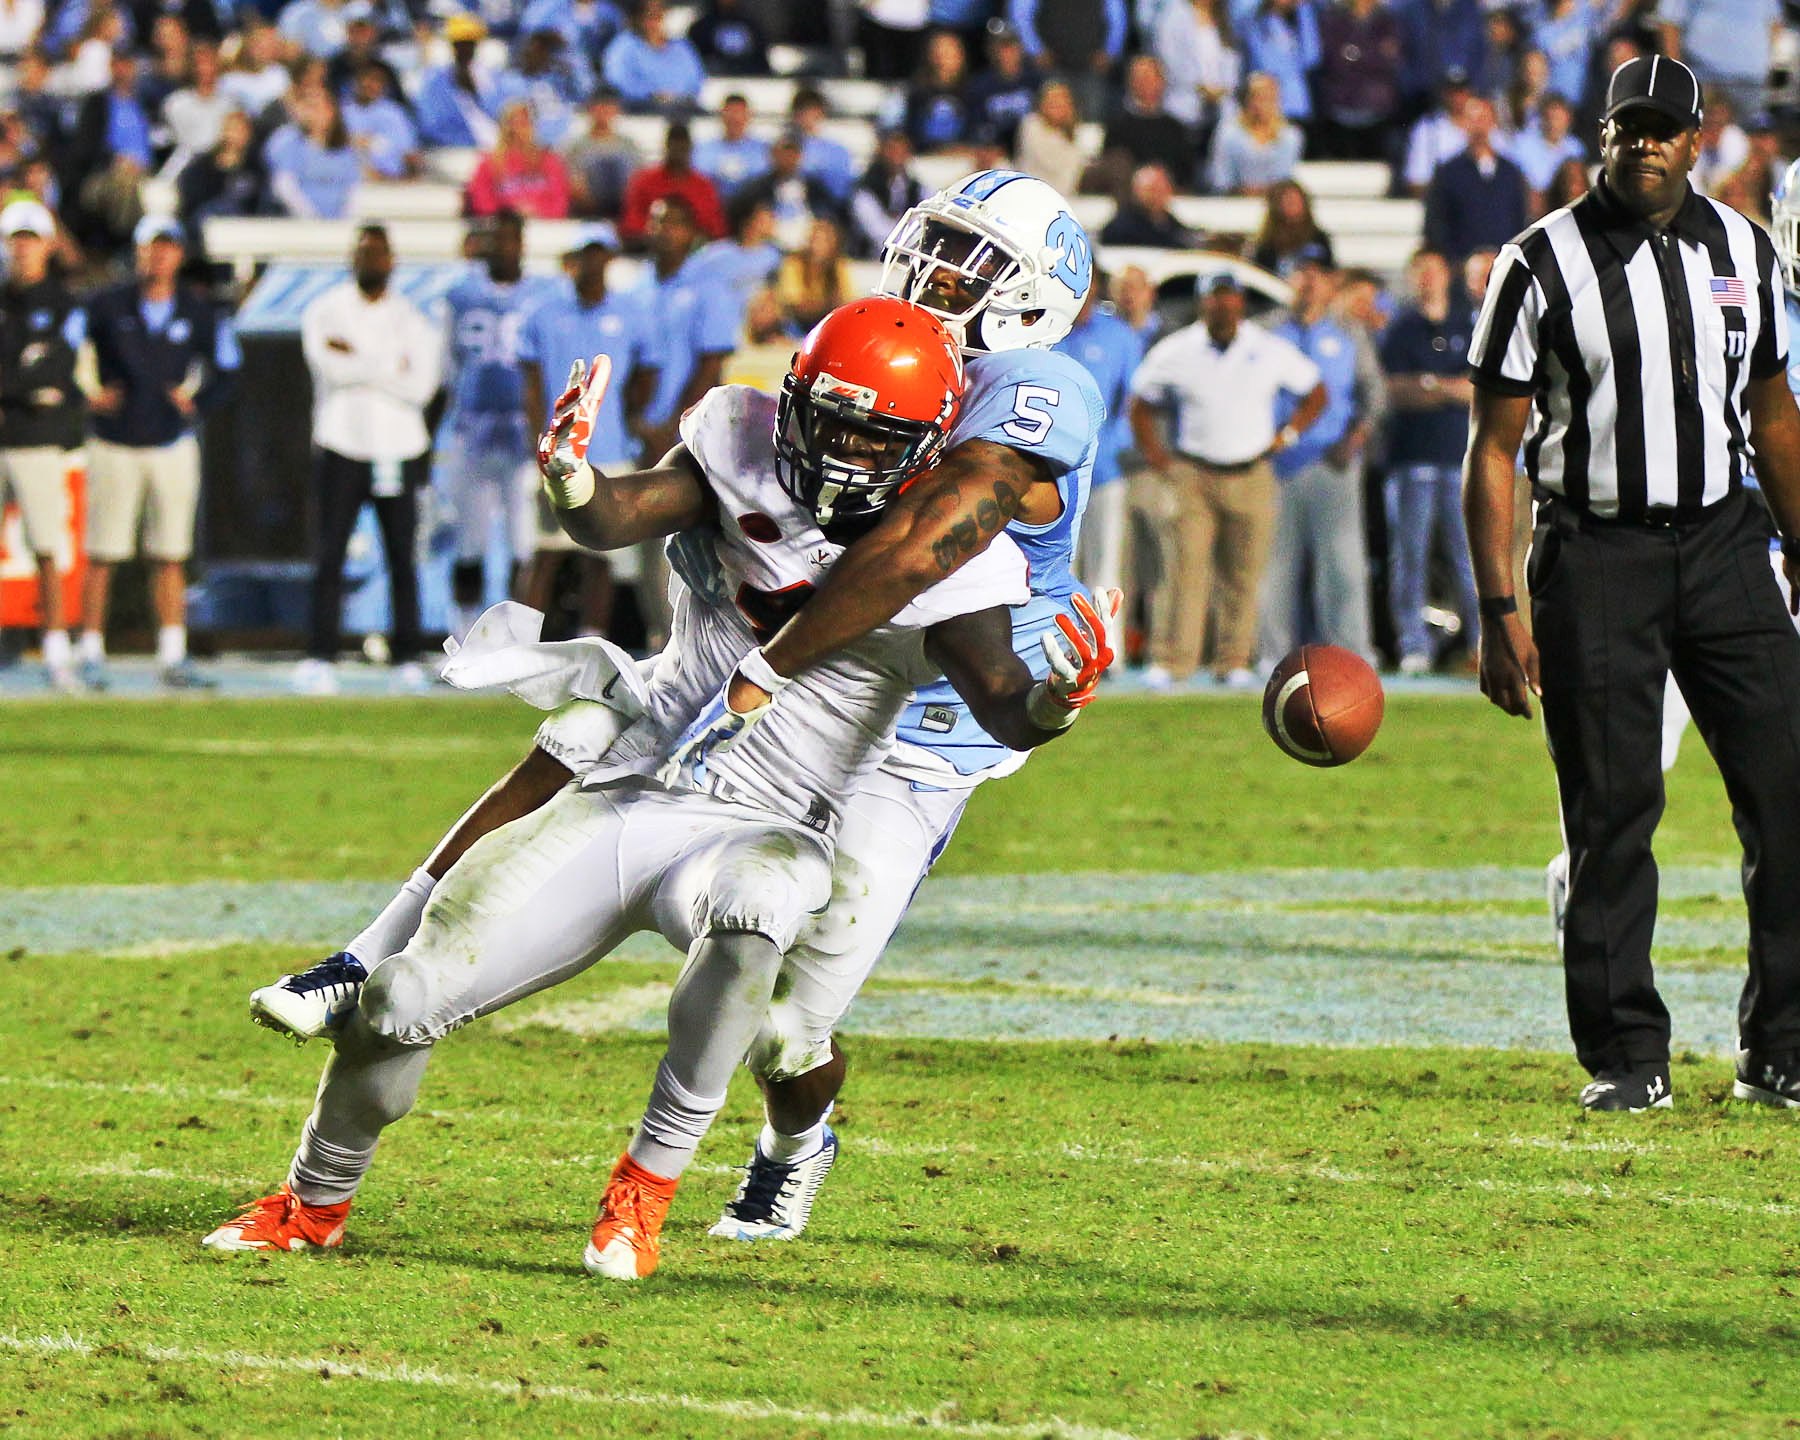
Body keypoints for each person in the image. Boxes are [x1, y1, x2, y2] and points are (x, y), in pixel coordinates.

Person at [245, 170, 1106, 1247]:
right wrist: (581, 485)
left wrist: (781, 668)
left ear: (1033, 297)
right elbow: (673, 496)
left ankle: (791, 1144)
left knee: (786, 1032)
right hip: (724, 692)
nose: (936, 274)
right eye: (935, 246)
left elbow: (919, 548)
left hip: (919, 729)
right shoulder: (807, 397)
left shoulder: (1030, 395)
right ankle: (363, 966)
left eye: (972, 264)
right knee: (580, 731)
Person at [1465, 55, 1800, 1113]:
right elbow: (1493, 448)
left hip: (1726, 543)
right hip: (1597, 552)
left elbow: (1775, 413)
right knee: (1611, 814)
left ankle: (1781, 1048)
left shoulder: (1744, 247)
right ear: (1600, 136)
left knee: (1789, 793)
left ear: (1699, 141)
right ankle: (1627, 1055)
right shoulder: (1538, 262)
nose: (1646, 143)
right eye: (1629, 126)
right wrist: (1498, 610)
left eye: (1665, 128)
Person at [1129, 271, 1327, 687]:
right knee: (1184, 571)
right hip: (1194, 472)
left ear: (1240, 302)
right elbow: (1141, 402)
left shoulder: (1267, 347)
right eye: (1215, 297)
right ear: (1203, 303)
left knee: (1244, 574)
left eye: (1229, 297)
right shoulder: (1177, 349)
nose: (1223, 305)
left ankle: (1233, 660)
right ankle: (1172, 661)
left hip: (1251, 470)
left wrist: (1288, 434)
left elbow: (1315, 392)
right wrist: (1157, 457)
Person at [78, 216, 238, 690]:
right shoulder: (106, 305)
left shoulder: (198, 311)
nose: (159, 257)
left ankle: (172, 653)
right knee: (103, 553)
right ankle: (91, 651)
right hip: (114, 439)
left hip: (170, 440)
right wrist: (89, 396)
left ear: (179, 255)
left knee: (169, 554)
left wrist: (198, 404)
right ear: (139, 252)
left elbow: (228, 367)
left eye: (167, 248)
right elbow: (66, 352)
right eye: (152, 247)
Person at [296, 225, 442, 696]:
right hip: (341, 443)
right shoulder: (325, 310)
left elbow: (421, 387)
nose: (371, 261)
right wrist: (390, 364)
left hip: (398, 448)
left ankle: (408, 656)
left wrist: (358, 357)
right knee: (330, 554)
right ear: (352, 258)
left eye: (379, 253)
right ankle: (320, 655)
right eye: (364, 252)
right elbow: (328, 368)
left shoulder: (412, 319)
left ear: (392, 260)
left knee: (402, 556)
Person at [515, 223, 659, 637]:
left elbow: (647, 371)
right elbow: (531, 383)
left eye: (598, 254)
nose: (591, 263)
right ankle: (523, 644)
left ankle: (591, 640)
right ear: (571, 261)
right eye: (584, 254)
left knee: (602, 554)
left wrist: (628, 417)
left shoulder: (631, 314)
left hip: (610, 450)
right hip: (557, 451)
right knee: (546, 551)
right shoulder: (543, 313)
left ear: (609, 258)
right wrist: (539, 439)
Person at [437, 210, 561, 638]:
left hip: (524, 433)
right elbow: (446, 367)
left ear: (522, 243)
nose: (502, 247)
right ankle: (463, 633)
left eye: (509, 238)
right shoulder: (459, 294)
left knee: (524, 542)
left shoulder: (544, 295)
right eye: (495, 238)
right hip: (473, 430)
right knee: (468, 541)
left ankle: (516, 639)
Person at [1258, 255, 1385, 663]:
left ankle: (1350, 655)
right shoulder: (1265, 332)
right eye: (1300, 274)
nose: (1309, 283)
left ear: (1331, 283)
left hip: (1334, 460)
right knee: (1274, 567)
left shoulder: (1349, 332)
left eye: (1317, 275)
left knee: (1343, 566)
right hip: (1276, 464)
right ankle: (1272, 656)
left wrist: (1356, 437)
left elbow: (1373, 392)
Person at [1378, 246, 1476, 673]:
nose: (1428, 279)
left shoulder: (1467, 324)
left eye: (1434, 271)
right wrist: (1449, 387)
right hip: (1411, 459)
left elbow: (1478, 389)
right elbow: (1394, 392)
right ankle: (1413, 645)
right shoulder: (1401, 329)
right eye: (1420, 271)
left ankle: (1482, 642)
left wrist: (1430, 384)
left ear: (1446, 276)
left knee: (1469, 556)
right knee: (1409, 557)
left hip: (1459, 458)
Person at [0, 200, 85, 691]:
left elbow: (58, 370)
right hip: (15, 429)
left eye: (30, 239)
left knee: (47, 547)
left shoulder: (64, 303)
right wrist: (25, 382)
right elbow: (33, 376)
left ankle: (56, 652)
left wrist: (15, 384)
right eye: (16, 239)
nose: (22, 249)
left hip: (37, 439)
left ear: (47, 245)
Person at [1059, 278, 1143, 599]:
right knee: (1058, 568)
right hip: (1054, 471)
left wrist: (1117, 448)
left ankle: (1106, 634)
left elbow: (1133, 399)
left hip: (1105, 469)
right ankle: (1056, 631)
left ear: (1094, 286)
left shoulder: (1118, 335)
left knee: (1105, 571)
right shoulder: (1048, 330)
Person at [1422, 95, 1528, 264]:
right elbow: (1437, 225)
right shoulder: (1448, 173)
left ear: (1493, 122)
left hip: (1504, 266)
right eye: (1473, 119)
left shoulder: (1510, 173)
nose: (1479, 125)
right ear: (1464, 123)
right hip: (1461, 267)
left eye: (1484, 118)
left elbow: (1519, 220)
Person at [619, 119, 726, 244]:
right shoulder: (644, 180)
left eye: (682, 147)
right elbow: (631, 225)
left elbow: (715, 229)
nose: (678, 151)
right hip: (650, 247)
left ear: (690, 148)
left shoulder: (704, 186)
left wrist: (685, 238)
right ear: (666, 146)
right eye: (674, 145)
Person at [264, 87, 362, 219]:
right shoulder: (288, 141)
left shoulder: (345, 151)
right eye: (309, 107)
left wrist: (344, 221)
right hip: (298, 222)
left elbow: (353, 189)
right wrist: (310, 217)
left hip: (337, 223)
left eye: (319, 107)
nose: (314, 114)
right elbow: (283, 186)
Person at [465, 99, 571, 219]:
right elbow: (483, 203)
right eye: (515, 123)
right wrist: (512, 214)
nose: (519, 129)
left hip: (546, 224)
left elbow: (560, 202)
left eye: (525, 122)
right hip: (505, 225)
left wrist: (537, 211)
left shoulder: (550, 160)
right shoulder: (489, 163)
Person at [1208, 70, 1304, 195]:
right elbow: (1220, 178)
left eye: (1269, 98)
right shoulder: (1228, 132)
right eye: (1257, 97)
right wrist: (1243, 192)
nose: (1262, 105)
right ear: (1246, 100)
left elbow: (1284, 178)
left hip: (1275, 200)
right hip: (1234, 200)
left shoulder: (1290, 136)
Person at [600, 0, 704, 115]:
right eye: (649, 15)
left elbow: (697, 81)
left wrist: (677, 97)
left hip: (682, 109)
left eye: (658, 15)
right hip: (641, 111)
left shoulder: (682, 47)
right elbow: (616, 81)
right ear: (638, 17)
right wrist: (651, 94)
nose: (654, 21)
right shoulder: (623, 46)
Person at [413, 12, 500, 149]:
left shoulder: (491, 77)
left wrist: (475, 93)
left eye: (469, 43)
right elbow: (431, 125)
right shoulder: (435, 81)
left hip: (494, 147)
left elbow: (501, 114)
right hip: (454, 149)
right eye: (460, 44)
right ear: (452, 45)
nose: (465, 49)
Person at [774, 217, 855, 332]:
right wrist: (827, 305)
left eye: (824, 241)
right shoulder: (793, 263)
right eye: (815, 240)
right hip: (795, 326)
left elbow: (846, 301)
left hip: (828, 325)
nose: (817, 246)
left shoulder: (838, 266)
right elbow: (795, 305)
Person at [1098, 163, 1202, 247]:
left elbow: (1185, 237)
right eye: (1150, 190)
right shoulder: (1122, 226)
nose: (1155, 195)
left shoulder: (1168, 222)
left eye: (1161, 189)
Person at [1015, 79, 1086, 199]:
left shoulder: (1074, 129)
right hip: (1036, 189)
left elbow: (1076, 167)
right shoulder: (1031, 125)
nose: (1058, 104)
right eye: (1053, 100)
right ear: (1042, 104)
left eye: (1062, 100)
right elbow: (1050, 162)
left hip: (1069, 189)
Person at [1248, 177, 1333, 277]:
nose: (1293, 205)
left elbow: (1328, 271)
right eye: (1288, 201)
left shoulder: (1318, 239)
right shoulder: (1266, 244)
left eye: (1296, 201)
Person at [692, 92, 770, 199]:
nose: (734, 118)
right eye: (730, 112)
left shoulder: (763, 150)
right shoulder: (703, 150)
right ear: (722, 115)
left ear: (748, 116)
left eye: (739, 113)